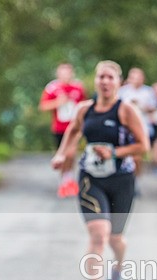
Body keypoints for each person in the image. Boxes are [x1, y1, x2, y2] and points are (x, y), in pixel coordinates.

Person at [51, 60, 150, 280]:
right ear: (95, 81)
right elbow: (72, 132)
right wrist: (62, 155)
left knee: (115, 238)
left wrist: (115, 152)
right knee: (98, 233)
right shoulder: (85, 109)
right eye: (101, 77)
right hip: (90, 178)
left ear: (118, 83)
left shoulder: (126, 110)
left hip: (121, 180)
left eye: (110, 77)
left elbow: (143, 146)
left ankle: (118, 265)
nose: (105, 82)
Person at [39, 63, 86, 197]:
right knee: (61, 155)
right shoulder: (52, 88)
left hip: (75, 127)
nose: (65, 76)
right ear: (58, 74)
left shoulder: (78, 87)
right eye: (62, 73)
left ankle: (69, 178)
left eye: (68, 73)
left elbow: (84, 105)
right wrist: (57, 103)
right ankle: (64, 180)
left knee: (71, 153)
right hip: (59, 128)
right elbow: (43, 106)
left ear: (72, 73)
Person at [118, 67, 157, 177]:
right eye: (133, 77)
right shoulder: (122, 91)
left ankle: (135, 178)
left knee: (137, 156)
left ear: (143, 78)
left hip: (143, 126)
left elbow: (154, 108)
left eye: (138, 77)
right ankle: (127, 177)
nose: (136, 80)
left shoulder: (148, 91)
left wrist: (141, 106)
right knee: (126, 155)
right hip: (125, 128)